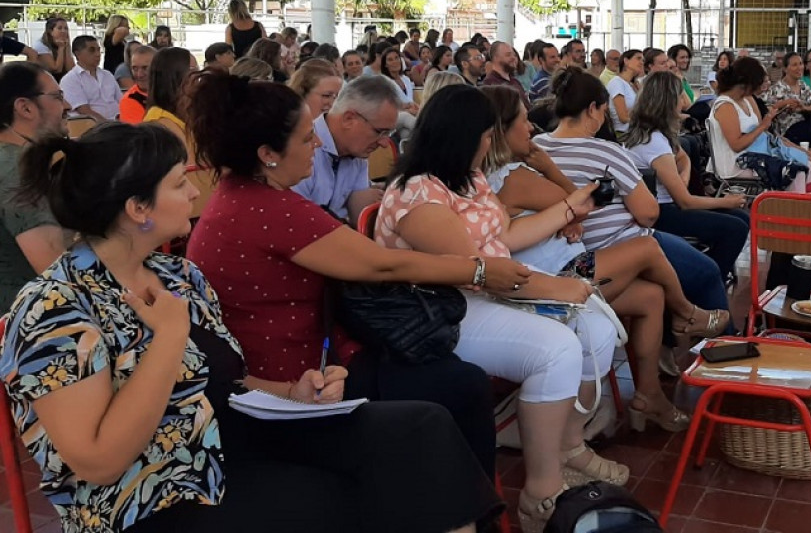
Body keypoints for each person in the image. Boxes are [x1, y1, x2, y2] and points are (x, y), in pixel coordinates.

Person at [2, 121, 501, 533]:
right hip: (143, 497)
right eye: (178, 183)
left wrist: (292, 391)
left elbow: (222, 382)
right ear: (138, 210)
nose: (194, 191)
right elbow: (98, 462)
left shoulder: (176, 273)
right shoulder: (55, 307)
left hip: (221, 440)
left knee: (419, 429)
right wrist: (169, 339)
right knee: (336, 498)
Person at [186, 73, 528, 485]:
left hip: (311, 363)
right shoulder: (270, 209)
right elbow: (383, 265)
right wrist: (479, 270)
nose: (316, 144)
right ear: (267, 153)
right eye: (304, 137)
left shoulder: (242, 196)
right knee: (460, 386)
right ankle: (467, 511)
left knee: (446, 376)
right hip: (299, 384)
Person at [374, 84, 641, 530]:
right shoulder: (417, 194)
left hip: (480, 292)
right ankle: (542, 489)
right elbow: (476, 268)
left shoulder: (466, 177)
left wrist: (569, 207)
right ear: (463, 135)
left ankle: (568, 444)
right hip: (440, 308)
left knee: (596, 330)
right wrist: (552, 287)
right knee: (556, 348)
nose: (489, 143)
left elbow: (503, 241)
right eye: (484, 135)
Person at [479, 84, 719, 418]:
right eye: (522, 120)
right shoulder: (515, 176)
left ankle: (648, 395)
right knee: (648, 247)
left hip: (559, 267)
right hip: (557, 278)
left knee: (650, 296)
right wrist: (549, 169)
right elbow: (580, 204)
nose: (532, 127)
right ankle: (688, 314)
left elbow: (569, 209)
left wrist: (562, 203)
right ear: (502, 130)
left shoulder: (505, 174)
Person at [533, 68, 731, 332]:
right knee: (707, 273)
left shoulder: (537, 148)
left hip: (564, 252)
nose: (604, 119)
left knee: (654, 291)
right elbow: (649, 214)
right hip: (614, 245)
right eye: (604, 111)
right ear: (592, 109)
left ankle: (669, 351)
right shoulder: (605, 151)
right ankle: (724, 346)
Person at [625, 72, 750, 281]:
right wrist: (725, 200)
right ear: (668, 101)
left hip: (668, 204)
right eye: (680, 96)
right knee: (735, 227)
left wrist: (681, 177)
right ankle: (707, 280)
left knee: (741, 218)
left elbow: (683, 158)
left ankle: (710, 270)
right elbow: (685, 201)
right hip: (661, 212)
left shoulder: (656, 133)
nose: (684, 102)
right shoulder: (654, 143)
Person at [0, 62, 69, 306]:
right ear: (25, 108)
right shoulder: (18, 171)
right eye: (58, 97)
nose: (68, 105)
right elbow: (60, 277)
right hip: (25, 327)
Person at [292, 75, 398, 224]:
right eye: (379, 131)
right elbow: (297, 224)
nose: (385, 143)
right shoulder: (300, 147)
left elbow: (358, 215)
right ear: (349, 119)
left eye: (389, 133)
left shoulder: (357, 151)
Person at [710, 56, 811, 193]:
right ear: (748, 83)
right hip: (736, 163)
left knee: (810, 166)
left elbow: (762, 132)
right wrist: (762, 126)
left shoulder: (747, 99)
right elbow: (736, 145)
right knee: (796, 171)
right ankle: (794, 210)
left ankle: (808, 206)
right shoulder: (725, 106)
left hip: (756, 154)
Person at [143, 47, 198, 164]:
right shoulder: (160, 121)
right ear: (175, 75)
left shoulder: (188, 112)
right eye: (194, 70)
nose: (199, 76)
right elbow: (190, 166)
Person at [60, 35, 122, 123]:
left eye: (98, 50)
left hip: (118, 123)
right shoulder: (70, 80)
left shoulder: (107, 75)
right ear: (78, 54)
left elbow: (121, 102)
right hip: (93, 128)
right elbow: (85, 111)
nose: (97, 54)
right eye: (92, 50)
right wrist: (109, 125)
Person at [606, 48, 643, 135]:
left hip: (637, 131)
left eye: (643, 60)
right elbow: (623, 117)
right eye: (638, 58)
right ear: (626, 61)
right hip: (625, 134)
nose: (642, 62)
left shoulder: (633, 84)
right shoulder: (617, 83)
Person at [482, 41, 529, 107]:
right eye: (508, 55)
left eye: (514, 55)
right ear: (496, 58)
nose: (513, 58)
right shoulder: (491, 85)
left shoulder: (515, 82)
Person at [118, 45, 157, 124]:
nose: (139, 74)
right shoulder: (131, 99)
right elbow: (140, 134)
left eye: (145, 68)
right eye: (135, 69)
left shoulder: (171, 91)